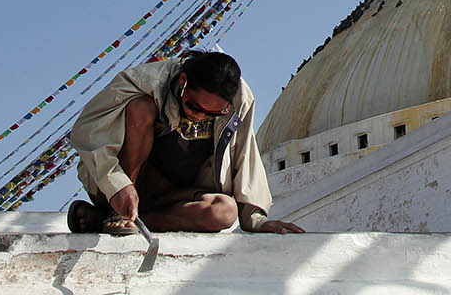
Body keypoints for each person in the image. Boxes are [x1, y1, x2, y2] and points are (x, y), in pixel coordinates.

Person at [67, 50, 304, 236]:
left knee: (224, 212)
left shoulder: (240, 102)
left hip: (175, 198)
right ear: (183, 82)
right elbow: (86, 131)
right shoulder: (144, 81)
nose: (200, 116)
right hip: (121, 187)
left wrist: (256, 218)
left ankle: (124, 221)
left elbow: (245, 151)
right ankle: (115, 212)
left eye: (212, 114)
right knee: (141, 108)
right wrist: (117, 184)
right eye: (193, 106)